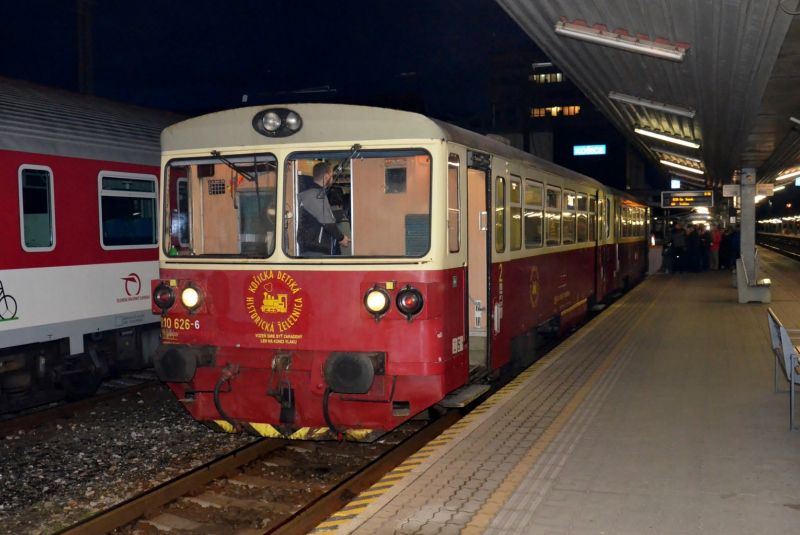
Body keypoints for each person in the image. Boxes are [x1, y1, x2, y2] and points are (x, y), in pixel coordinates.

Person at [297, 162, 351, 256]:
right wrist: (341, 238)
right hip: (317, 251)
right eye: (332, 176)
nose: (332, 179)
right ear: (327, 176)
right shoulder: (317, 196)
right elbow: (327, 222)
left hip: (314, 249)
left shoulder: (310, 194)